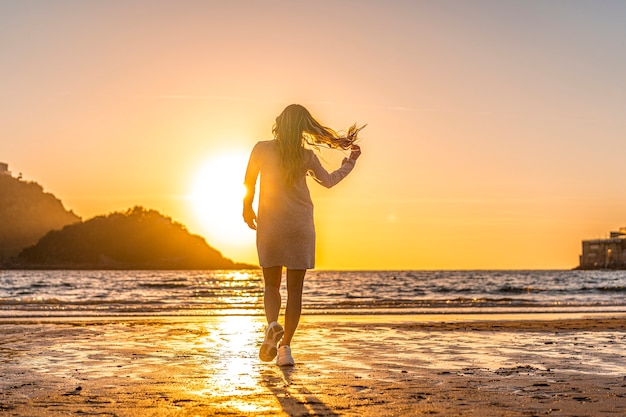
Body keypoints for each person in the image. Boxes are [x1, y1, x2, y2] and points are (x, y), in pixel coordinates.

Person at [243, 104, 364, 366]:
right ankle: (285, 349)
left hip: (271, 223)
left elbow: (249, 181)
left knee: (271, 285)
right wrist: (350, 162)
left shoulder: (261, 149)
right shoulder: (306, 156)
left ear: (279, 122)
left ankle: (272, 325)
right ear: (304, 129)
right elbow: (329, 181)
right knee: (295, 291)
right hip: (299, 226)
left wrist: (246, 207)